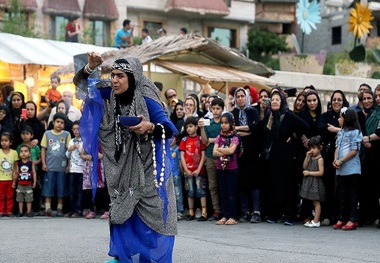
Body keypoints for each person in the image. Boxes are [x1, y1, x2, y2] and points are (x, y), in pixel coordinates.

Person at [73, 52, 177, 262]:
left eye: (120, 76)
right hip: (120, 168)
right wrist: (90, 68)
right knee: (122, 213)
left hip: (148, 168)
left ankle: (147, 259)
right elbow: (82, 86)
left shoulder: (146, 94)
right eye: (113, 75)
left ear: (132, 77)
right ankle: (123, 257)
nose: (115, 80)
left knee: (149, 219)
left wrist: (149, 127)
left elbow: (170, 129)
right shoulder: (109, 91)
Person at [262, 89, 309, 225]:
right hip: (273, 155)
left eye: (278, 99)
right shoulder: (269, 115)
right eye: (273, 99)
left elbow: (304, 126)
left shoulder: (288, 115)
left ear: (282, 101)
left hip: (287, 155)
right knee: (274, 184)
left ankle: (289, 215)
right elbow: (264, 132)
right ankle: (274, 214)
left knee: (288, 185)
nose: (275, 102)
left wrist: (294, 136)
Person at [318, 90, 349, 226]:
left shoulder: (347, 116)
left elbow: (352, 131)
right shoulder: (326, 115)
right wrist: (339, 130)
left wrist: (336, 130)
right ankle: (326, 215)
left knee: (342, 187)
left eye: (339, 99)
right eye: (334, 99)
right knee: (328, 185)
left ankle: (340, 215)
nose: (336, 102)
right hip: (329, 155)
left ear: (343, 102)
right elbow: (322, 129)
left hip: (345, 156)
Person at [231, 88, 261, 223]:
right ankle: (245, 211)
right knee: (241, 182)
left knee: (254, 182)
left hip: (252, 152)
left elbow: (256, 128)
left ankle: (256, 211)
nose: (240, 99)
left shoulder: (253, 111)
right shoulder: (233, 113)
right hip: (238, 152)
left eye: (242, 96)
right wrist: (246, 130)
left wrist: (238, 129)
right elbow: (231, 130)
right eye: (238, 96)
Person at [332, 107, 362, 231]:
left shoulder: (356, 133)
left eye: (341, 117)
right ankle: (342, 217)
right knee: (341, 194)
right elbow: (337, 147)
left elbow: (354, 150)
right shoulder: (340, 132)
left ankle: (353, 219)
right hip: (341, 170)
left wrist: (341, 160)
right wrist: (335, 160)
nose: (339, 119)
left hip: (351, 169)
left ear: (347, 118)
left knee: (352, 195)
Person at [41, 112, 71, 217]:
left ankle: (59, 209)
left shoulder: (66, 134)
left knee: (61, 188)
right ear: (53, 122)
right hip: (49, 166)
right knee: (48, 187)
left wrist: (68, 165)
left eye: (62, 123)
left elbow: (69, 151)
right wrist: (43, 163)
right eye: (57, 122)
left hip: (62, 167)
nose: (59, 124)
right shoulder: (47, 134)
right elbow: (43, 149)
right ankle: (47, 208)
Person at [198, 98, 224, 221]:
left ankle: (225, 210)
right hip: (209, 156)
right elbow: (205, 141)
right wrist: (202, 128)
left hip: (223, 156)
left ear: (222, 109)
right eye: (213, 108)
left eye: (218, 108)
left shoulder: (224, 121)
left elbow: (225, 137)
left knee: (223, 185)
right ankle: (216, 210)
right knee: (212, 185)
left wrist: (213, 140)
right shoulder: (208, 122)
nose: (215, 111)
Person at [213, 112, 240, 225]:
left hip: (231, 168)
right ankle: (224, 215)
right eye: (222, 123)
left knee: (231, 192)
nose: (223, 125)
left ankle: (233, 216)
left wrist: (220, 150)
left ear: (231, 123)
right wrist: (223, 150)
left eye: (226, 123)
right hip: (220, 168)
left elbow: (231, 151)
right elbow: (214, 152)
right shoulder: (219, 137)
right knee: (222, 192)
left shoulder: (235, 137)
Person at [179, 117, 207, 221]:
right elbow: (182, 155)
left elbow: (203, 155)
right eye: (187, 127)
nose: (188, 129)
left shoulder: (200, 139)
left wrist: (199, 169)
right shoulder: (184, 140)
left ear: (196, 127)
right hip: (188, 171)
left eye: (190, 126)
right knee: (190, 191)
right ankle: (191, 212)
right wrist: (186, 169)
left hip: (199, 170)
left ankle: (204, 212)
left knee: (201, 190)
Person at [362, 85, 380, 228]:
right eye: (377, 96)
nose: (378, 99)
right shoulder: (373, 113)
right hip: (370, 155)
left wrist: (368, 139)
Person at [300, 136, 326, 228]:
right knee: (312, 201)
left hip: (315, 183)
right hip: (309, 182)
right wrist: (306, 157)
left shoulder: (320, 159)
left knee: (316, 202)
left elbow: (321, 172)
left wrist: (309, 173)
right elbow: (304, 166)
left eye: (314, 148)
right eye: (310, 148)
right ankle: (313, 218)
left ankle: (316, 220)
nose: (312, 150)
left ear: (320, 148)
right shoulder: (310, 157)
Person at [16, 126, 42, 214]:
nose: (25, 136)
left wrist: (34, 162)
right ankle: (21, 210)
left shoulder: (35, 147)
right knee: (21, 190)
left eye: (27, 134)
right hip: (22, 173)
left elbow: (40, 158)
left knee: (34, 190)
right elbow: (17, 159)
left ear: (32, 135)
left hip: (34, 171)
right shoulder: (20, 147)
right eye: (23, 134)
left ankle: (34, 209)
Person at [80, 145, 108, 219]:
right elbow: (82, 154)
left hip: (98, 166)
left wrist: (101, 155)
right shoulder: (87, 141)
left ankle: (107, 210)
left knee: (101, 189)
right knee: (88, 189)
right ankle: (92, 210)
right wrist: (86, 157)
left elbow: (108, 153)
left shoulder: (102, 141)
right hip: (88, 166)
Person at [65, 121, 84, 218]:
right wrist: (70, 149)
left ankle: (79, 210)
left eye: (78, 129)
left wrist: (79, 148)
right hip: (73, 169)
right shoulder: (71, 141)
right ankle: (72, 209)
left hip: (82, 169)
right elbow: (67, 155)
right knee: (72, 191)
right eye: (74, 129)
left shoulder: (84, 140)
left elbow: (86, 154)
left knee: (79, 191)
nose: (76, 131)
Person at [12, 145, 36, 217]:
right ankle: (20, 211)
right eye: (21, 151)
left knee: (29, 199)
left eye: (25, 151)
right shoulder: (17, 163)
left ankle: (28, 212)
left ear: (29, 153)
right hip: (20, 184)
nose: (23, 153)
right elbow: (16, 172)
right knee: (20, 199)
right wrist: (14, 182)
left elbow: (34, 173)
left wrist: (34, 182)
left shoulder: (31, 163)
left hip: (28, 184)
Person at [0, 132, 19, 217]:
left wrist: (15, 178)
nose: (4, 142)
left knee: (10, 196)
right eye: (2, 140)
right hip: (1, 179)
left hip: (10, 179)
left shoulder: (14, 153)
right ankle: (1, 211)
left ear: (10, 142)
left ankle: (9, 211)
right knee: (1, 196)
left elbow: (16, 167)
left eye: (6, 140)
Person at [170, 133, 184, 220]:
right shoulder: (165, 149)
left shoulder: (177, 149)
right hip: (168, 175)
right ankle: (171, 211)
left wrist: (182, 171)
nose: (170, 141)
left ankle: (180, 211)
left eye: (172, 138)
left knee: (178, 193)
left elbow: (180, 161)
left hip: (176, 174)